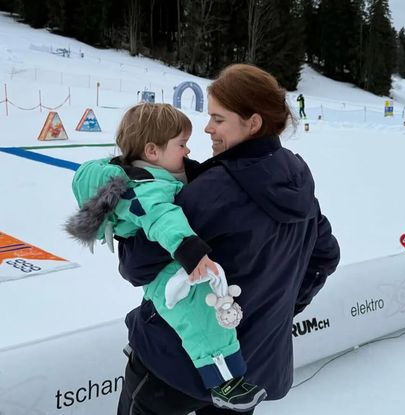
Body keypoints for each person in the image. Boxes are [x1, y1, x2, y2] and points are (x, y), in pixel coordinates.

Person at [114, 64, 340, 415]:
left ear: (253, 123)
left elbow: (136, 266)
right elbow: (324, 255)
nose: (207, 128)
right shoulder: (296, 178)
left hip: (175, 364)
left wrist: (127, 224)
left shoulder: (214, 191)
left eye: (218, 119)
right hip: (249, 369)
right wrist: (273, 312)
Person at [65, 103, 266, 411]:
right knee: (200, 317)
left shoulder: (152, 174)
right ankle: (224, 380)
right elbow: (163, 218)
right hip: (168, 273)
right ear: (152, 151)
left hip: (170, 266)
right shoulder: (145, 187)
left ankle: (224, 373)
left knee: (210, 311)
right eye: (181, 144)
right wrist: (190, 250)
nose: (187, 152)